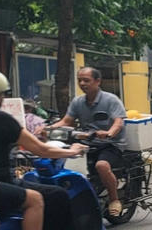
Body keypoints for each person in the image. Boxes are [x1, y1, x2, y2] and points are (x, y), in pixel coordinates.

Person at [0, 68, 84, 230]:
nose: (3, 99)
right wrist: (73, 151)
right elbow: (41, 149)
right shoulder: (0, 120)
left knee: (49, 193)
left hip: (0, 183)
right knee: (38, 199)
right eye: (2, 94)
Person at [50, 66, 127, 217]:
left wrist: (109, 133)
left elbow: (119, 122)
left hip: (110, 144)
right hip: (87, 142)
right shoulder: (78, 102)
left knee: (101, 165)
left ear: (98, 81)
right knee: (64, 158)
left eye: (86, 80)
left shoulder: (111, 100)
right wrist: (47, 128)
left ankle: (114, 199)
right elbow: (66, 121)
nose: (82, 83)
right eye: (80, 80)